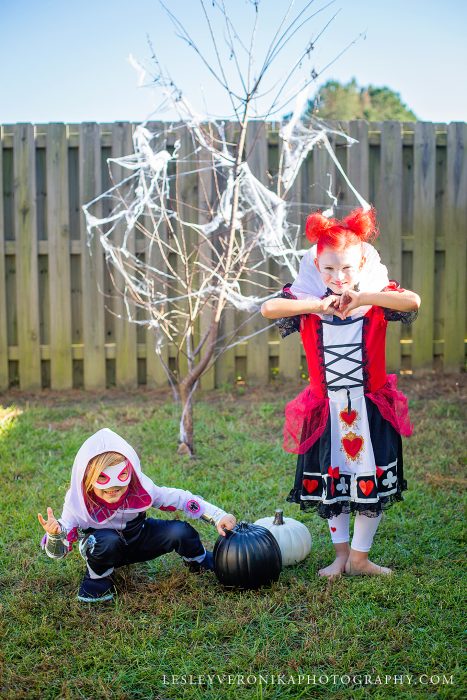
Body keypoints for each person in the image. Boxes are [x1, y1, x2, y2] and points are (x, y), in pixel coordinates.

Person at [261, 207, 420, 579]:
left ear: (362, 262)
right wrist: (317, 305)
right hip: (327, 409)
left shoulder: (375, 298)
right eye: (329, 269)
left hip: (371, 406)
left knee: (370, 480)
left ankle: (361, 558)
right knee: (335, 482)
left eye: (347, 268)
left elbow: (412, 301)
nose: (338, 276)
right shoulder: (307, 302)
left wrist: (366, 297)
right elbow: (269, 308)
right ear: (317, 267)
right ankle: (341, 556)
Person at [38, 428, 237, 602]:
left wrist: (219, 516)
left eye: (121, 478)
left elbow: (181, 499)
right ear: (87, 477)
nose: (113, 488)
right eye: (103, 480)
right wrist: (56, 534)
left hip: (139, 536)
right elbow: (59, 551)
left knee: (181, 531)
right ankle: (98, 578)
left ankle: (198, 560)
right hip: (104, 546)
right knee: (105, 542)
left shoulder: (140, 490)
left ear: (130, 472)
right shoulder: (78, 504)